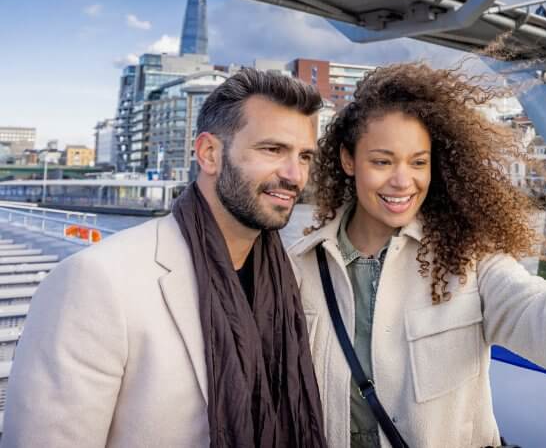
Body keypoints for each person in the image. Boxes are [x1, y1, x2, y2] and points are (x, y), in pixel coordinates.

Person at [289, 63, 546, 448]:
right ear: (348, 160)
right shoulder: (297, 268)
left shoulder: (468, 258)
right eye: (381, 161)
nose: (402, 180)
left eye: (418, 162)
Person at [3, 69, 328, 447]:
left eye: (304, 156)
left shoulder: (288, 277)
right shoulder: (95, 281)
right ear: (209, 153)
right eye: (272, 150)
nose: (294, 175)